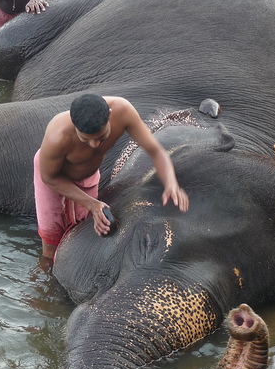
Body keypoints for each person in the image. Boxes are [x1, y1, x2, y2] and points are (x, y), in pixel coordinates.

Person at [34, 94, 189, 261]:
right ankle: (45, 271)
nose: (94, 145)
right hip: (54, 179)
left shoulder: (123, 111)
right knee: (52, 240)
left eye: (101, 137)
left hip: (87, 176)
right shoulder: (57, 135)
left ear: (109, 114)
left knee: (83, 232)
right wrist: (92, 204)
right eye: (85, 139)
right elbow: (50, 178)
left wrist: (171, 183)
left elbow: (156, 151)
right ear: (74, 124)